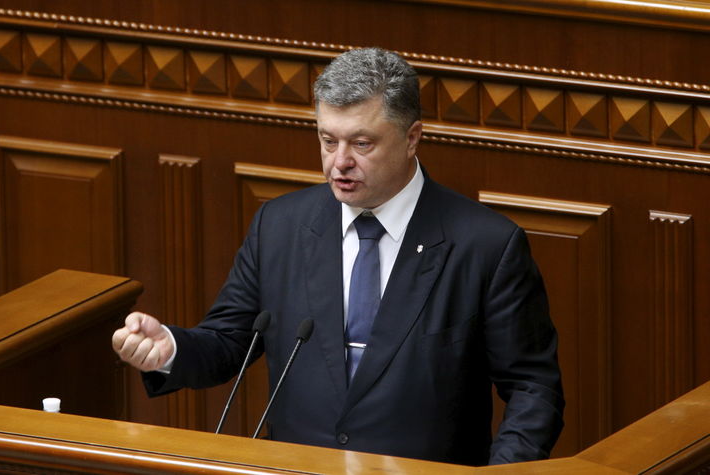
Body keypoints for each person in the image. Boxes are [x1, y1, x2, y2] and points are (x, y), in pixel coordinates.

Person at [112, 47, 564, 466]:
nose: (339, 163)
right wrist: (170, 348)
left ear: (412, 138)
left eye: (361, 144)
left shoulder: (485, 244)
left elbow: (533, 388)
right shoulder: (281, 225)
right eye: (328, 141)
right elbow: (230, 342)